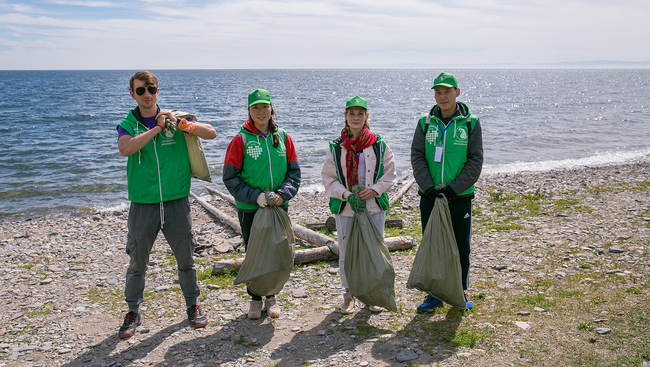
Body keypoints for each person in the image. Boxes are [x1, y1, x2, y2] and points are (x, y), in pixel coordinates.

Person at [116, 71, 217, 338]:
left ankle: (193, 305)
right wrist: (158, 128)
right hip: (143, 203)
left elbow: (211, 133)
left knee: (186, 258)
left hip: (176, 200)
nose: (147, 95)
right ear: (132, 94)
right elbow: (126, 148)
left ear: (157, 91)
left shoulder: (176, 118)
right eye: (141, 91)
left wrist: (182, 124)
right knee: (138, 261)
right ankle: (132, 311)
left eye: (151, 89)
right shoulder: (128, 123)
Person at [223, 89, 301, 320]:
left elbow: (294, 174)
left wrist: (282, 194)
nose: (260, 112)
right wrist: (254, 196)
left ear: (271, 109)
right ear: (248, 111)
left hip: (278, 206)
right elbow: (230, 178)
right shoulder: (241, 140)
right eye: (255, 107)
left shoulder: (283, 137)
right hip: (251, 209)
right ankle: (255, 299)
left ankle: (272, 296)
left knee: (278, 251)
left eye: (264, 107)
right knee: (254, 253)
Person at [410, 72, 483, 312]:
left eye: (447, 92)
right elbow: (417, 157)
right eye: (438, 92)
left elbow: (475, 162)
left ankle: (459, 293)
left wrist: (453, 189)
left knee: (461, 246)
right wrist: (429, 188)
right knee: (433, 244)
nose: (442, 97)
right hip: (430, 197)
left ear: (457, 93)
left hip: (459, 197)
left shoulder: (470, 123)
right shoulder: (425, 122)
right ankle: (433, 295)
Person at [321, 96, 396, 314]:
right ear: (345, 116)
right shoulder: (336, 147)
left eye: (360, 113)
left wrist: (374, 190)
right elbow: (328, 178)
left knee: (372, 250)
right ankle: (348, 294)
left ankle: (371, 295)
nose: (356, 117)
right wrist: (346, 195)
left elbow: (390, 173)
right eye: (351, 114)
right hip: (346, 208)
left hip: (373, 206)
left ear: (367, 116)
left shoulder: (379, 145)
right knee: (346, 253)